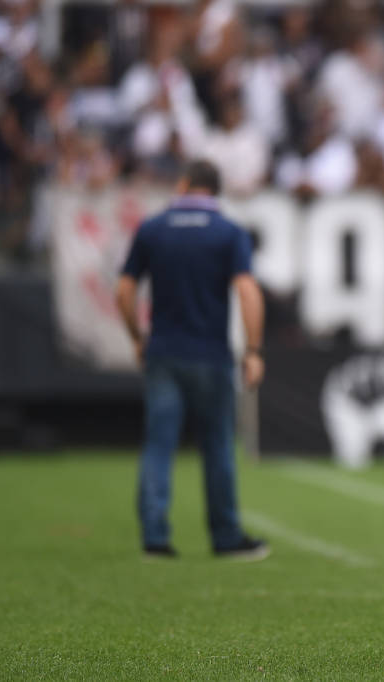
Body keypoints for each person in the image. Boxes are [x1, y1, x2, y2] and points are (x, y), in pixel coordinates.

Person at [115, 159, 269, 561]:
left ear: (184, 184)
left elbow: (124, 290)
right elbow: (248, 291)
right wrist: (253, 350)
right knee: (218, 446)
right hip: (210, 354)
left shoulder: (152, 228)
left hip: (164, 352)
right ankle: (225, 536)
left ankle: (155, 537)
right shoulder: (228, 232)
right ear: (214, 190)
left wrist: (137, 337)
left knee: (158, 446)